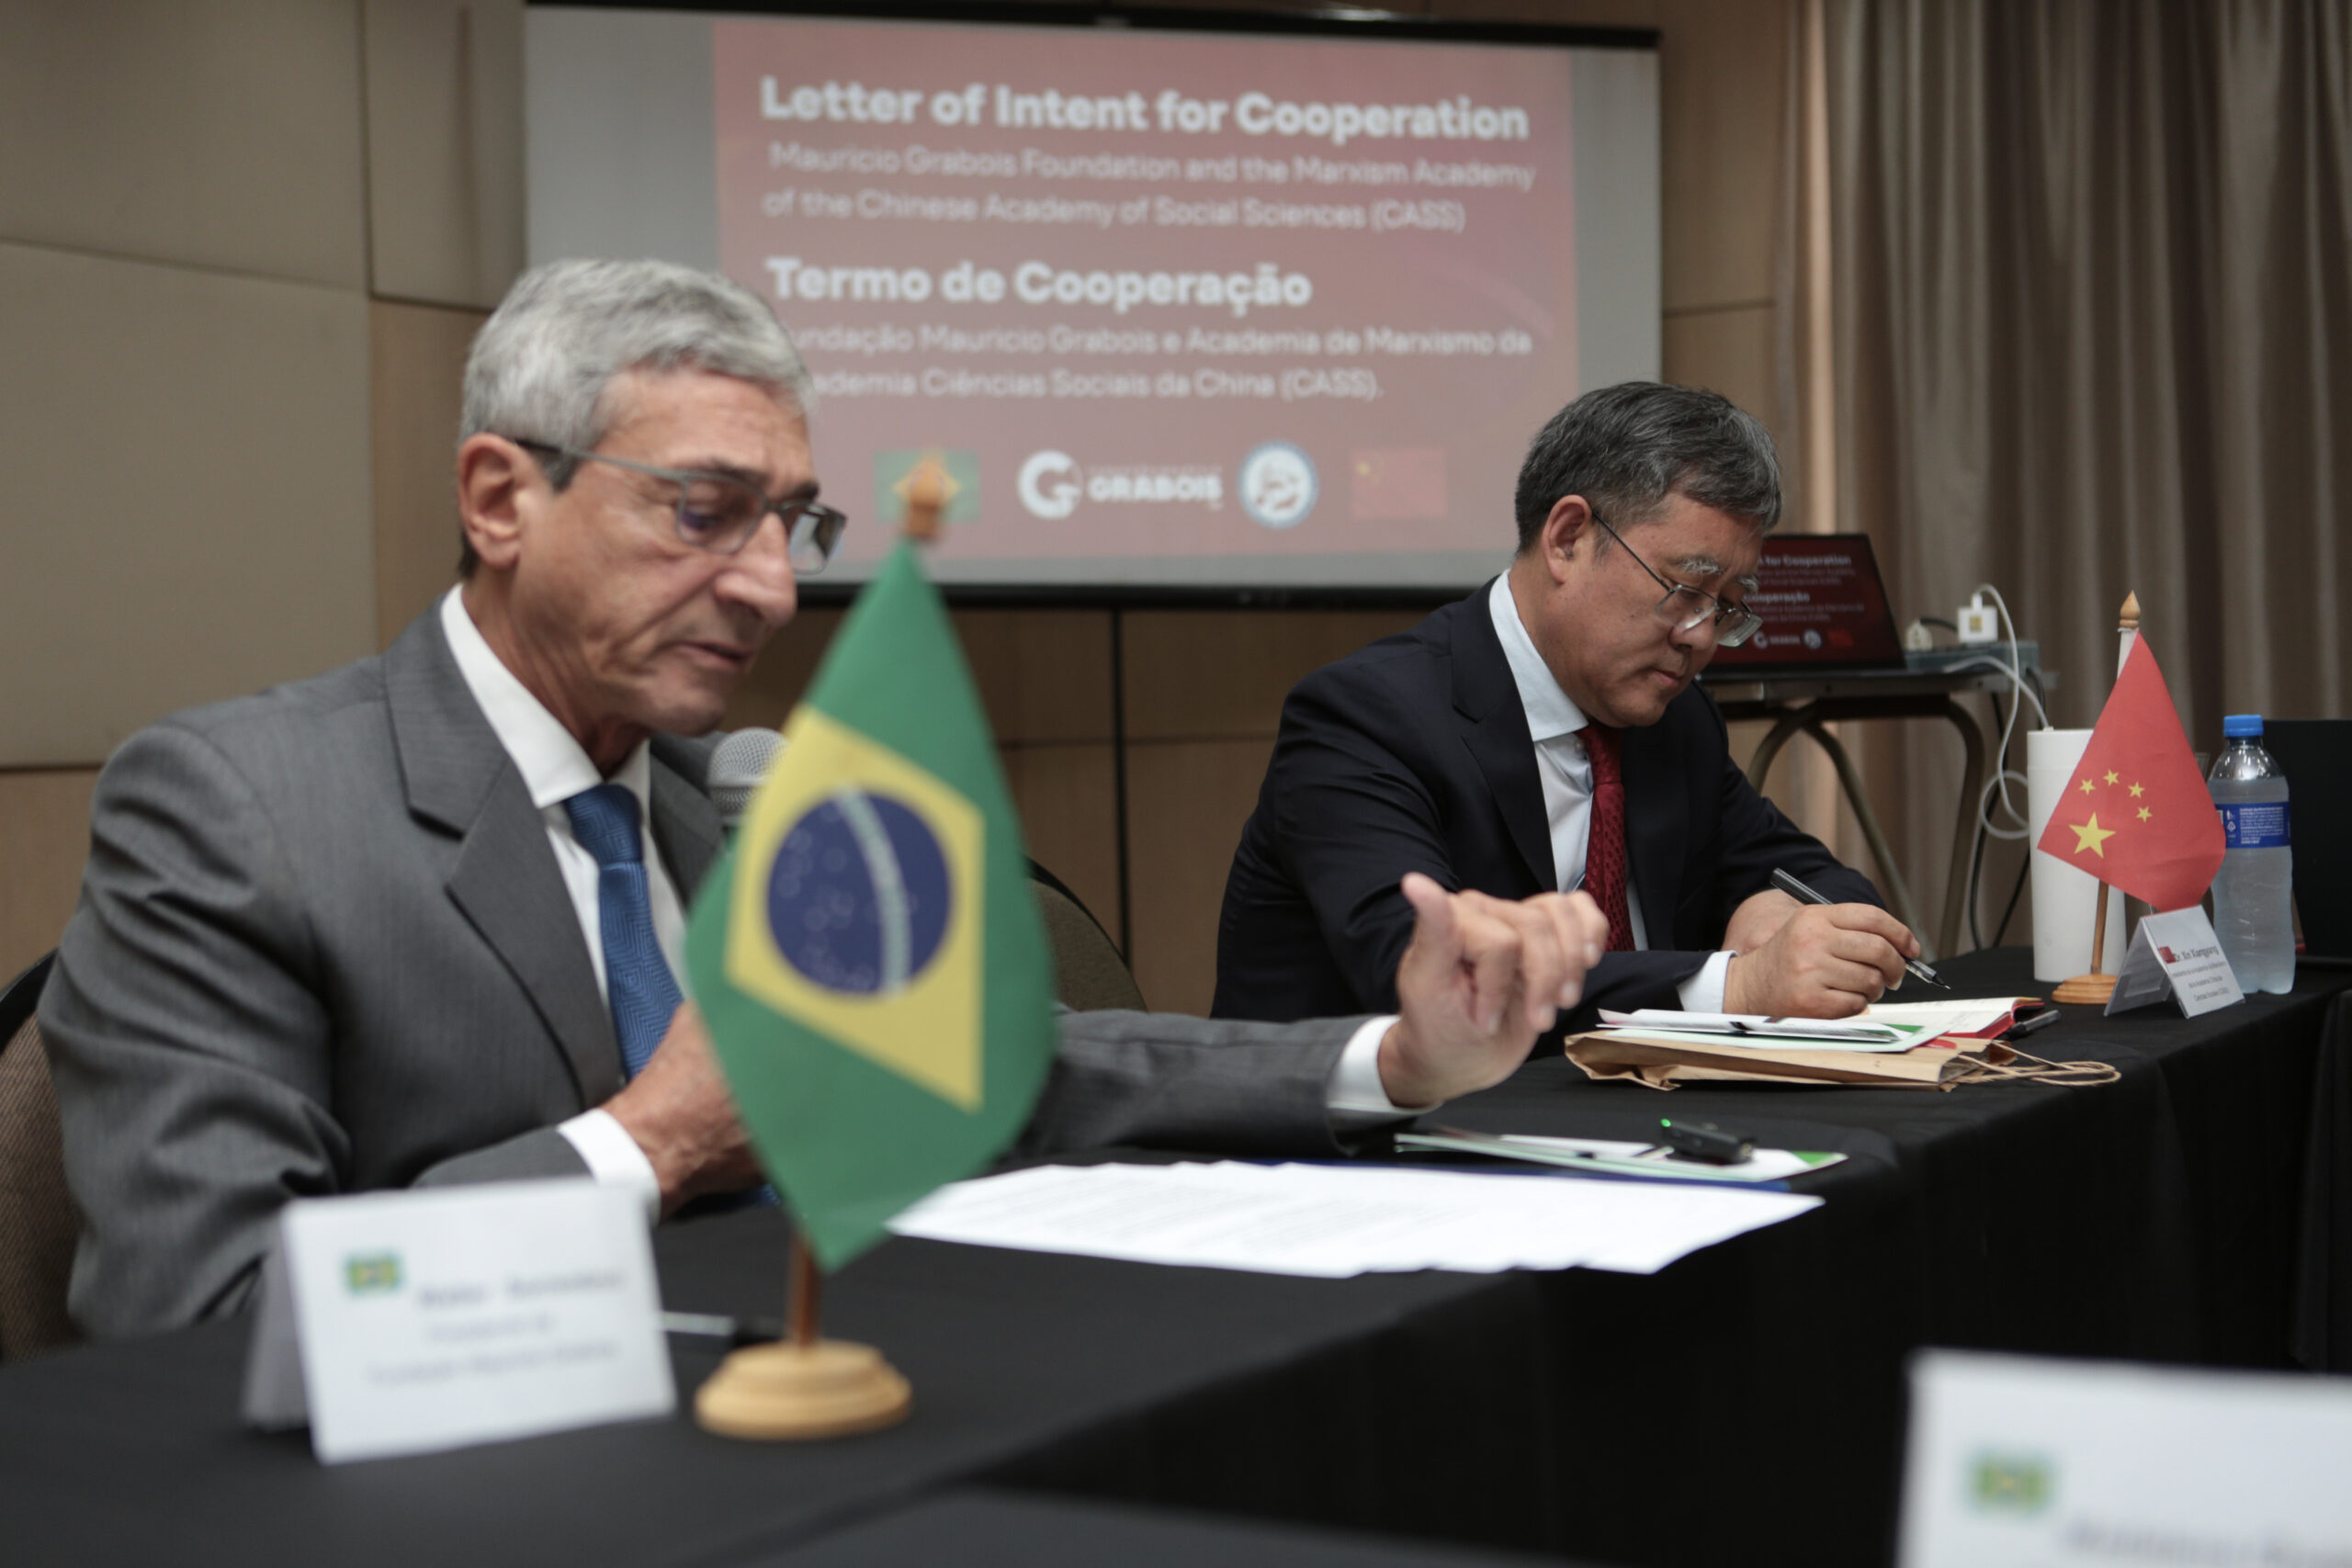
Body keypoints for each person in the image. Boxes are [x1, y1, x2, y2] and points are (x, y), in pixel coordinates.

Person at [41, 260, 1606, 1340]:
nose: (774, 591)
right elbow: (205, 1312)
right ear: (501, 497)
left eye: (796, 522)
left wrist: (1392, 1056)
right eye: (706, 515)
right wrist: (650, 1141)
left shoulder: (721, 793)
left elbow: (1003, 1068)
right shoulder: (239, 805)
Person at [1214, 381, 1919, 1035]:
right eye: (1684, 588)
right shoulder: (1367, 717)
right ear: (1568, 538)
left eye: (1728, 607)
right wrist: (1732, 987)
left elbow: (1825, 884)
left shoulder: (1674, 721)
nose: (1701, 637)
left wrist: (1776, 906)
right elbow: (1430, 975)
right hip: (1357, 1149)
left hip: (1616, 1128)